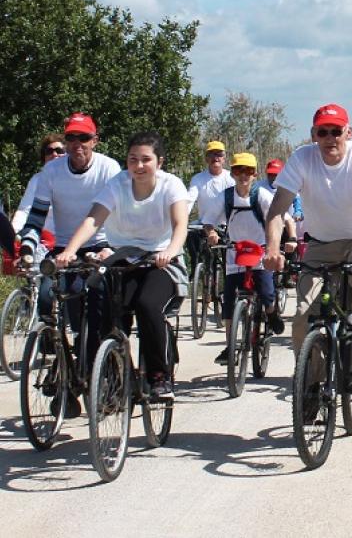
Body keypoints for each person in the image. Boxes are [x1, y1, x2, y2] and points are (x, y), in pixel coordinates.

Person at [55, 131, 188, 400]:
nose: (139, 166)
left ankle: (159, 376)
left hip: (159, 262)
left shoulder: (171, 185)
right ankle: (117, 374)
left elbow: (180, 225)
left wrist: (170, 251)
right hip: (122, 260)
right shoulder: (117, 184)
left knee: (148, 305)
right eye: (132, 160)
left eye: (146, 160)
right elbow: (94, 219)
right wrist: (69, 250)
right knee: (107, 312)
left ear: (159, 162)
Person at [263, 104, 352, 359]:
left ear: (348, 132)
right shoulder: (302, 158)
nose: (330, 138)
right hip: (320, 243)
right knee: (302, 316)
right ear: (314, 135)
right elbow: (278, 209)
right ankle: (310, 388)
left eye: (336, 131)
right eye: (323, 132)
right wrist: (272, 250)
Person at [19, 113, 122, 408]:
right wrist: (27, 249)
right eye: (71, 138)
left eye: (84, 138)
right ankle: (67, 374)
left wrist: (109, 248)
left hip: (101, 245)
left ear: (95, 141)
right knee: (63, 307)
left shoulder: (108, 168)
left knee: (101, 310)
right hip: (65, 248)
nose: (77, 144)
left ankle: (107, 372)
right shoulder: (51, 173)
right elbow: (36, 217)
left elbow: (118, 212)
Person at [202, 153, 294, 365]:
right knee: (229, 300)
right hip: (235, 252)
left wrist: (290, 241)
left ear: (255, 174)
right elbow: (208, 220)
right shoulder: (225, 197)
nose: (243, 175)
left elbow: (283, 218)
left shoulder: (261, 195)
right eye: (238, 170)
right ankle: (230, 344)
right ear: (232, 173)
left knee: (265, 290)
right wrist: (211, 233)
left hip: (260, 252)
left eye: (248, 171)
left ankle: (271, 314)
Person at [186, 140, 235, 266]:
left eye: (219, 154)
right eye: (212, 154)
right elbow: (190, 199)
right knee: (190, 234)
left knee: (229, 259)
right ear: (207, 158)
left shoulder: (231, 178)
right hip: (204, 223)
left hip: (226, 225)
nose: (215, 158)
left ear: (224, 158)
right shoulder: (198, 179)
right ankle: (196, 265)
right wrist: (181, 216)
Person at [12, 132, 66, 236]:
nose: (54, 154)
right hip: (43, 240)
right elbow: (24, 211)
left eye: (59, 151)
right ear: (44, 157)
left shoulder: (77, 177)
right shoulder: (36, 180)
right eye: (49, 151)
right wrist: (13, 233)